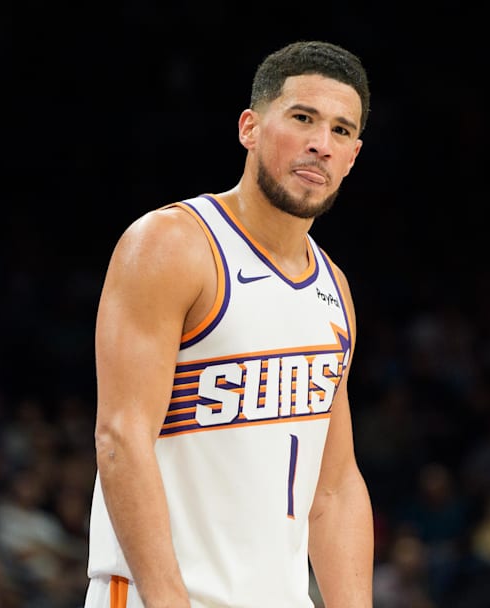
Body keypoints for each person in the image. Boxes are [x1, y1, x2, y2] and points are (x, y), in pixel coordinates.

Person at [85, 40, 375, 607]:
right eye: (302, 118)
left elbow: (334, 489)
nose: (320, 143)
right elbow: (121, 436)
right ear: (250, 127)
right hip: (159, 596)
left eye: (341, 131)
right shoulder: (173, 244)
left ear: (353, 156)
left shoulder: (333, 289)